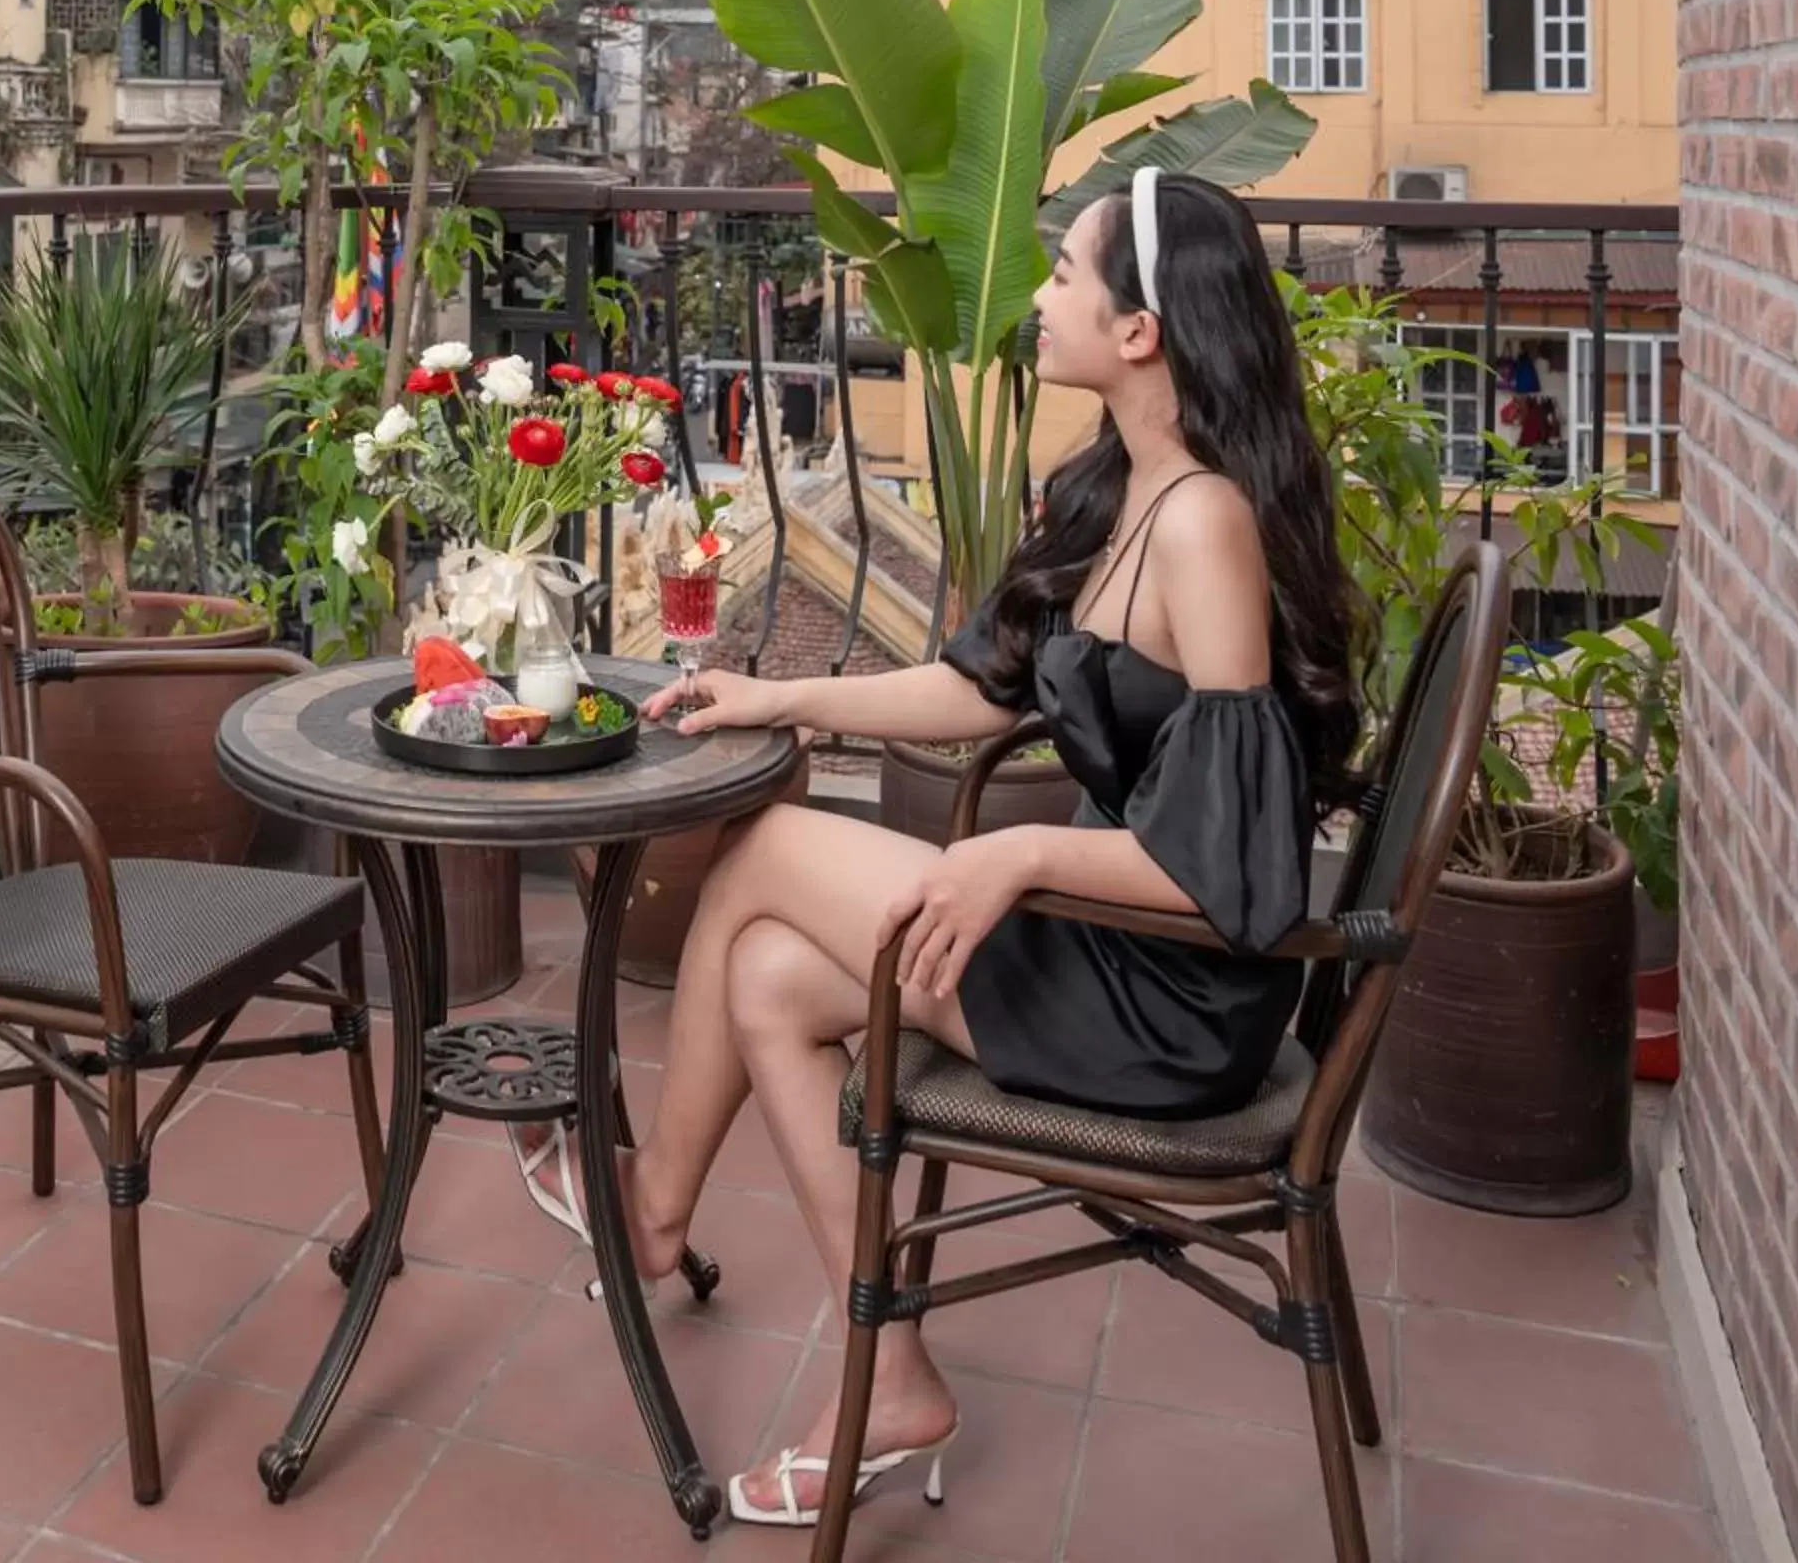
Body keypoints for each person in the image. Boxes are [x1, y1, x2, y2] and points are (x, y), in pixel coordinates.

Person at [516, 169, 1364, 1528]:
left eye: (1067, 277)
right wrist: (781, 693)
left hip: (1172, 996)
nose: (1040, 297)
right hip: (1112, 944)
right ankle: (889, 1370)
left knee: (764, 854)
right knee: (772, 979)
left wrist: (1016, 862)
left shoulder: (1203, 526)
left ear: (1140, 331)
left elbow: (1236, 884)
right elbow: (982, 691)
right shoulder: (1125, 489)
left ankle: (653, 1205)